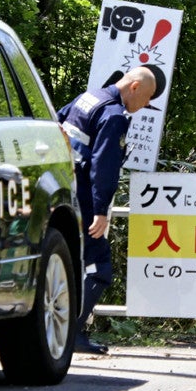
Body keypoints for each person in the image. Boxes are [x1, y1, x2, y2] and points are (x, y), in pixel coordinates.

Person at [58, 66, 157, 354]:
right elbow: (104, 166)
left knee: (64, 262)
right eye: (147, 99)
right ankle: (71, 334)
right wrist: (100, 211)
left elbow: (57, 122)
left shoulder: (89, 98)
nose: (144, 108)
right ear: (135, 87)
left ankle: (58, 329)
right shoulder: (114, 115)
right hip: (86, 200)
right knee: (98, 268)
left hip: (61, 190)